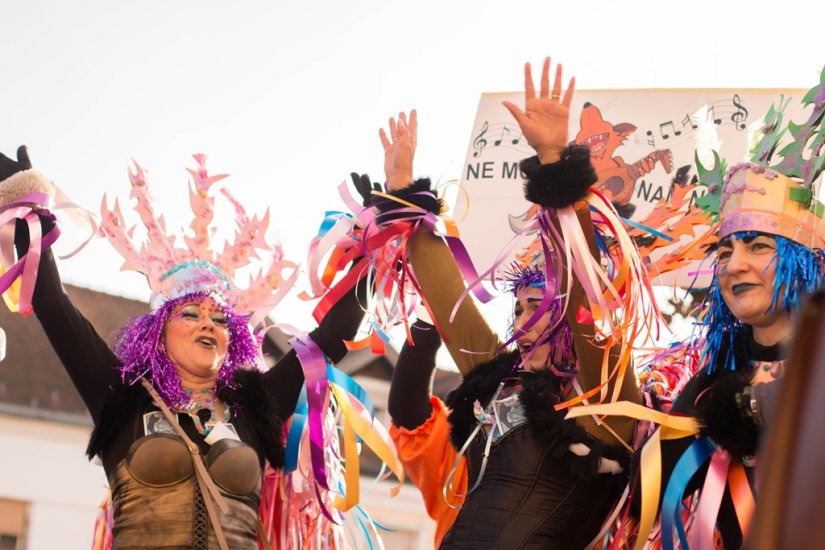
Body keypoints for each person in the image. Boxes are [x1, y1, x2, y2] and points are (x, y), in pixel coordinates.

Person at [0, 149, 368, 549]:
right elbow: (54, 306)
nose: (209, 323)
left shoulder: (254, 406)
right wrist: (26, 208)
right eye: (191, 314)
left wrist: (377, 235)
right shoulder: (122, 397)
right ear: (158, 333)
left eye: (220, 319)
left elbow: (332, 338)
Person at [381, 57, 658, 548]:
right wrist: (404, 198)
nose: (525, 320)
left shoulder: (607, 399)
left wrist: (554, 163)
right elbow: (452, 306)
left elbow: (584, 290)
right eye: (520, 308)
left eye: (542, 307)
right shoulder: (500, 380)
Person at [620, 72, 825, 549]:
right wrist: (713, 404)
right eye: (726, 251)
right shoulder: (710, 375)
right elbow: (643, 496)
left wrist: (758, 404)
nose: (736, 265)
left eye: (757, 246)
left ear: (806, 260)